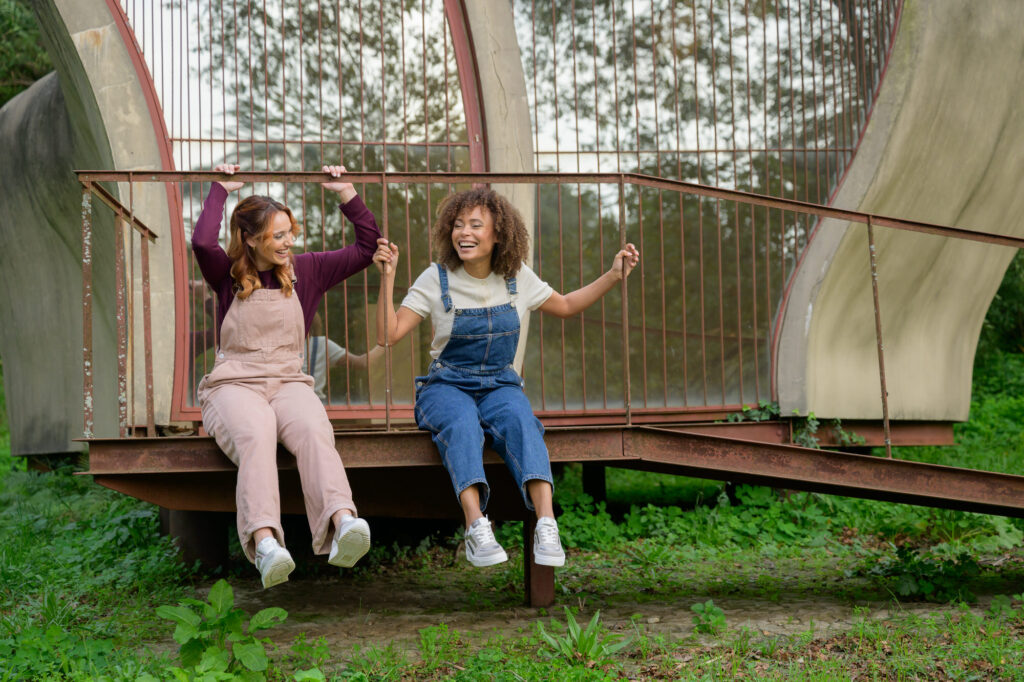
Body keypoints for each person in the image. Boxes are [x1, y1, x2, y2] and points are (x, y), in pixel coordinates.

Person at [373, 187, 639, 568]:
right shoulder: (436, 278)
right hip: (447, 385)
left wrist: (614, 276)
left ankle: (547, 524)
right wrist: (387, 277)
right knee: (462, 424)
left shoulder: (516, 277)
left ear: (498, 234)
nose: (464, 232)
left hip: (500, 383)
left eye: (476, 225)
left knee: (521, 421)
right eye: (458, 224)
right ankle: (476, 527)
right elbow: (388, 334)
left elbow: (564, 306)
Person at [192, 163, 379, 588]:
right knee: (257, 434)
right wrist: (220, 190)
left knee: (315, 430)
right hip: (235, 385)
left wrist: (346, 192)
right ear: (251, 240)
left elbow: (368, 247)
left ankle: (343, 522)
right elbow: (203, 241)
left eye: (290, 233)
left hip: (289, 383)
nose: (289, 243)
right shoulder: (226, 276)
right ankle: (266, 544)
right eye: (279, 236)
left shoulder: (308, 270)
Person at [303, 312, 384, 402]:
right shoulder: (320, 344)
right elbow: (362, 362)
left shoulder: (286, 345)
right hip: (315, 404)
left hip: (289, 403)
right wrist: (385, 343)